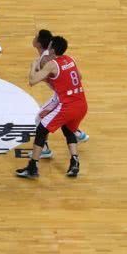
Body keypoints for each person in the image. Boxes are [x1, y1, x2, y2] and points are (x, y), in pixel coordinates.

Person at [17, 36, 87, 179]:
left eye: (49, 46)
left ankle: (33, 167)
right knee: (68, 129)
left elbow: (32, 81)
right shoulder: (71, 59)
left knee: (41, 129)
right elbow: (79, 77)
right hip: (82, 103)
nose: (47, 49)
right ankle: (74, 162)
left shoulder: (52, 64)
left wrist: (33, 66)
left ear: (53, 50)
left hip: (67, 106)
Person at [32, 29, 89, 159]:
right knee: (61, 118)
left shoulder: (45, 60)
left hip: (61, 96)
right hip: (71, 96)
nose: (33, 38)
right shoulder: (51, 56)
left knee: (41, 117)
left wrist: (35, 70)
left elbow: (34, 80)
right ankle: (78, 134)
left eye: (35, 37)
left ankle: (45, 150)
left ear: (39, 43)